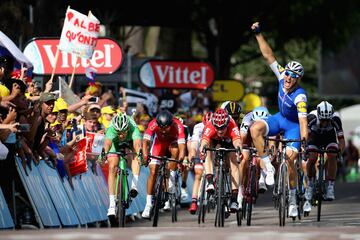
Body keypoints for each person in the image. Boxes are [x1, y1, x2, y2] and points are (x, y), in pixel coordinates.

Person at [249, 22, 308, 218]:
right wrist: (258, 34)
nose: (289, 78)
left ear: (298, 79)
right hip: (279, 118)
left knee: (290, 161)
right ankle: (268, 168)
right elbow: (268, 55)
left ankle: (292, 200)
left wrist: (304, 141)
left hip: (293, 127)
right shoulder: (282, 75)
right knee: (255, 129)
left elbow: (302, 122)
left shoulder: (300, 96)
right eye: (288, 74)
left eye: (294, 76)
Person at [141, 110, 186, 219]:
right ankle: (148, 204)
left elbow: (182, 147)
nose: (164, 130)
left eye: (166, 128)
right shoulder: (153, 124)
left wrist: (180, 160)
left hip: (172, 143)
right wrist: (145, 156)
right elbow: (145, 142)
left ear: (171, 124)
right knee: (152, 172)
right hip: (159, 144)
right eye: (161, 128)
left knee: (175, 151)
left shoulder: (178, 125)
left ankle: (171, 176)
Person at [303, 101, 345, 213]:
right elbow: (304, 135)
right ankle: (310, 184)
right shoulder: (311, 117)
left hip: (329, 138)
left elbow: (341, 140)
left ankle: (330, 186)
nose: (325, 123)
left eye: (327, 120)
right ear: (318, 116)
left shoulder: (336, 119)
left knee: (332, 154)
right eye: (322, 120)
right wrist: (304, 149)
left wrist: (340, 152)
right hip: (314, 137)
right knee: (312, 158)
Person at [199, 108, 242, 212]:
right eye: (217, 128)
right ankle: (210, 182)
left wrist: (238, 150)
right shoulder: (210, 125)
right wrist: (202, 150)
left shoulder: (232, 125)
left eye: (222, 128)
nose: (220, 130)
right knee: (207, 149)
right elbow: (204, 141)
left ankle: (234, 200)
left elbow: (237, 142)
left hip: (229, 141)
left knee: (234, 162)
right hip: (213, 140)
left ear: (227, 124)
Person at [101, 113, 142, 217]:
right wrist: (103, 154)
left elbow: (137, 144)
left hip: (130, 141)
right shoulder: (111, 129)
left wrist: (140, 154)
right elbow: (107, 144)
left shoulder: (133, 128)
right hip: (115, 144)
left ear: (127, 128)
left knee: (137, 155)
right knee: (112, 167)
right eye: (118, 133)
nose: (121, 135)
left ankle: (134, 185)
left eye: (123, 132)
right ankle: (111, 205)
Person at [238, 106, 270, 206]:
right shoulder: (247, 119)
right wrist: (240, 151)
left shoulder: (270, 120)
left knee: (263, 155)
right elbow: (242, 137)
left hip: (263, 137)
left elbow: (272, 140)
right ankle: (240, 187)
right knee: (244, 160)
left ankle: (262, 179)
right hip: (247, 137)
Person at [187, 111, 212, 214]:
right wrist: (192, 157)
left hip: (211, 149)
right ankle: (194, 201)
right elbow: (194, 145)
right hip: (199, 149)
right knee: (198, 174)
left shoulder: (215, 127)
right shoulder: (198, 127)